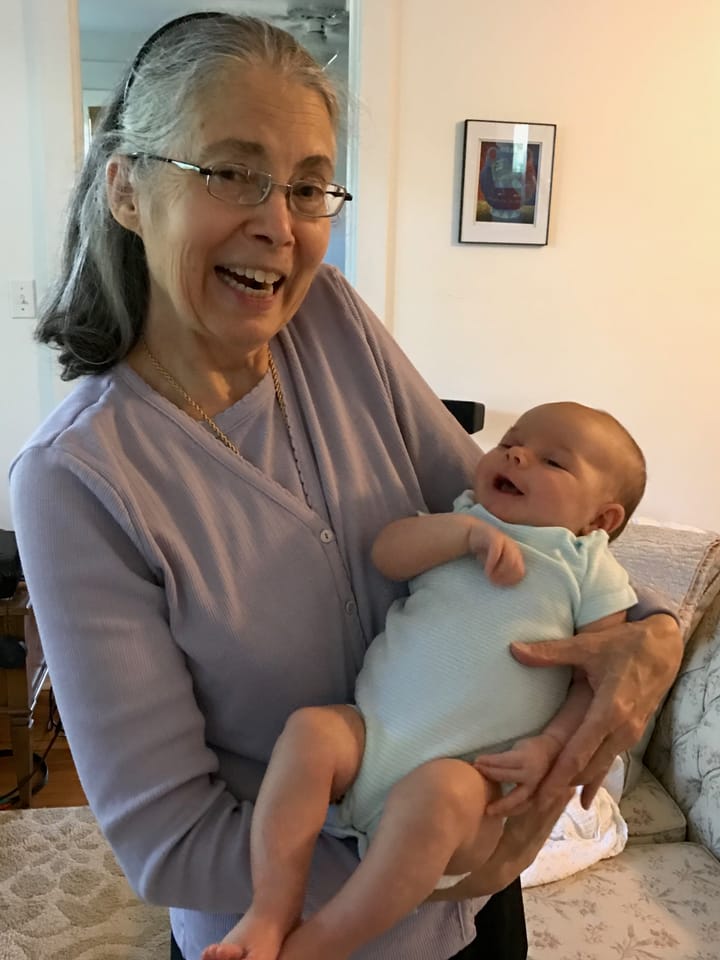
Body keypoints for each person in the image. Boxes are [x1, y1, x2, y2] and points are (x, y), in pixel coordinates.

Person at [8, 13, 682, 960]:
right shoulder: (78, 480)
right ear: (126, 187)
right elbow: (170, 844)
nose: (278, 225)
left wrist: (656, 632)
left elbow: (520, 524)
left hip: (480, 914)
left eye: (309, 186)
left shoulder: (329, 318)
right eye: (232, 171)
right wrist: (440, 863)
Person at [202, 401, 644, 960]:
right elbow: (387, 554)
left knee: (440, 792)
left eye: (553, 461)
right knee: (311, 730)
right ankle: (270, 911)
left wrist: (551, 745)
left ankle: (319, 944)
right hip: (372, 742)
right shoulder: (462, 518)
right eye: (511, 441)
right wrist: (463, 535)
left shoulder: (589, 567)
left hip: (472, 780)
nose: (517, 455)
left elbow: (597, 680)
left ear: (602, 520)